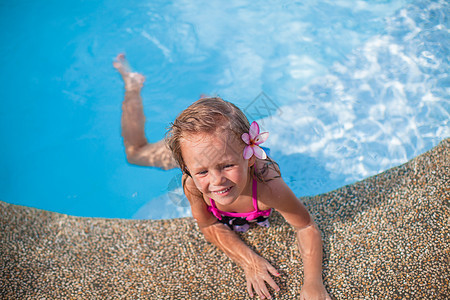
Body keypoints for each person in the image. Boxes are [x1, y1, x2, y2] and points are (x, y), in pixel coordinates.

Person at [114, 54, 331, 300]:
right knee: (135, 154)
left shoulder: (268, 184)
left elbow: (305, 225)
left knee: (213, 143)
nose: (217, 181)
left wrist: (313, 283)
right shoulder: (192, 185)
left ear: (249, 158)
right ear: (185, 169)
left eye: (227, 165)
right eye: (203, 172)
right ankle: (133, 86)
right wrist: (249, 260)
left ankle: (207, 110)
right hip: (198, 150)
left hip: (218, 148)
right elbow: (208, 225)